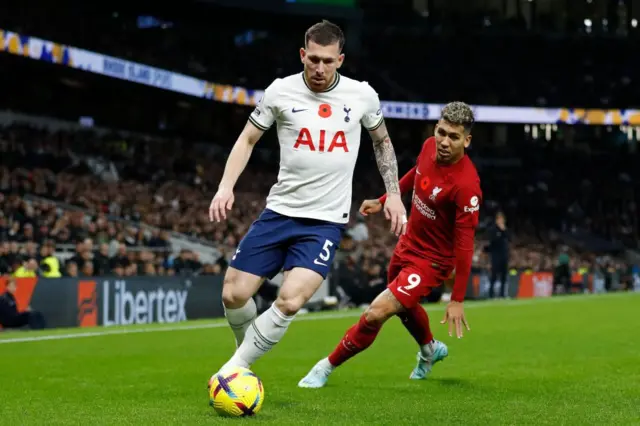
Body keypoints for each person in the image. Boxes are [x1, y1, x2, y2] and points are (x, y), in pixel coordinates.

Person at [207, 20, 406, 378]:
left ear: (340, 60)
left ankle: (233, 371)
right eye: (313, 59)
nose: (319, 68)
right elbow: (247, 139)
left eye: (328, 61)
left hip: (324, 222)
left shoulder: (361, 95)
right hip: (279, 212)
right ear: (302, 54)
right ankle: (243, 356)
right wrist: (225, 186)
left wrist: (393, 193)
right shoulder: (280, 91)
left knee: (290, 299)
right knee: (233, 295)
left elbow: (382, 142)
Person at [298, 102, 482, 388]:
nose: (444, 142)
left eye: (454, 137)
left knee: (377, 312)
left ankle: (325, 367)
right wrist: (385, 199)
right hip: (407, 244)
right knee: (403, 306)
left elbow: (465, 245)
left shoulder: (466, 186)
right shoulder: (429, 147)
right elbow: (416, 174)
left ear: (466, 140)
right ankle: (430, 349)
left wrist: (457, 299)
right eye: (441, 132)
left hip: (432, 261)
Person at [488, 211, 510, 298]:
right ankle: (491, 294)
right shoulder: (493, 230)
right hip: (496, 256)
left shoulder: (505, 230)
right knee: (494, 275)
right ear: (496, 220)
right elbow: (493, 242)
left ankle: (502, 294)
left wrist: (503, 231)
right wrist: (500, 233)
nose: (501, 221)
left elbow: (509, 238)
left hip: (504, 255)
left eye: (502, 219)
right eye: (499, 219)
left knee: (504, 276)